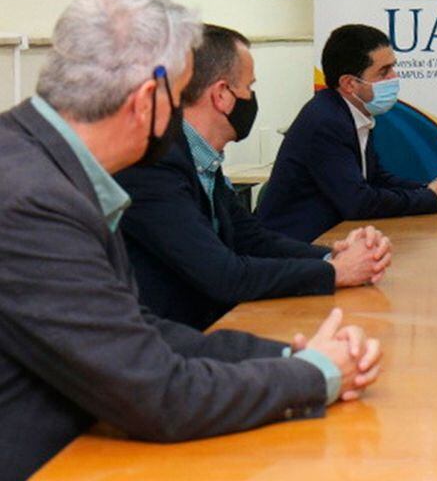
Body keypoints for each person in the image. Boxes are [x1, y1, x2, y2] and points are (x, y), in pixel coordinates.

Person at [0, 0, 381, 481]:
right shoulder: (34, 200)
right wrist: (314, 375)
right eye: (180, 100)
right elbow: (158, 395)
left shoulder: (44, 163)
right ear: (146, 102)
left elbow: (138, 331)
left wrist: (295, 355)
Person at [115, 25, 392, 330]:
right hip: (176, 340)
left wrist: (331, 256)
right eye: (249, 87)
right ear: (222, 95)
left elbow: (251, 238)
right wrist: (336, 272)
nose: (252, 98)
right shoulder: (154, 165)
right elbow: (223, 274)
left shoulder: (200, 156)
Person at [258, 24, 437, 243]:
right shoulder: (326, 121)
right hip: (295, 247)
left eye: (393, 68)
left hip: (330, 237)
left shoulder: (351, 112)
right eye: (384, 71)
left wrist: (429, 189)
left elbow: (374, 178)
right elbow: (358, 201)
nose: (394, 77)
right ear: (349, 83)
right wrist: (432, 200)